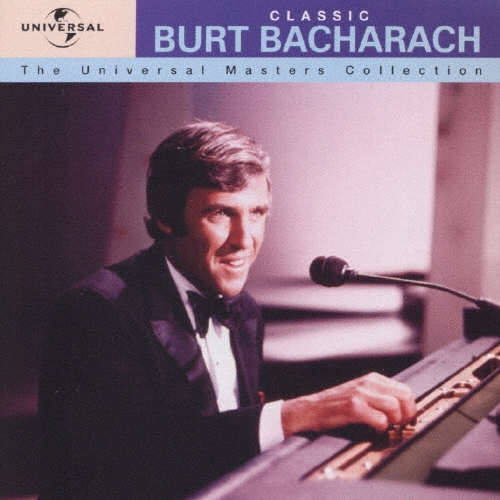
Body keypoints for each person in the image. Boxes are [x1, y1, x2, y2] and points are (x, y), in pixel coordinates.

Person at [38, 121, 416, 500]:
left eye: (257, 213)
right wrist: (297, 414)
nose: (244, 239)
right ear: (166, 217)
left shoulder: (247, 311)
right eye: (221, 213)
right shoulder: (96, 310)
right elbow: (125, 465)